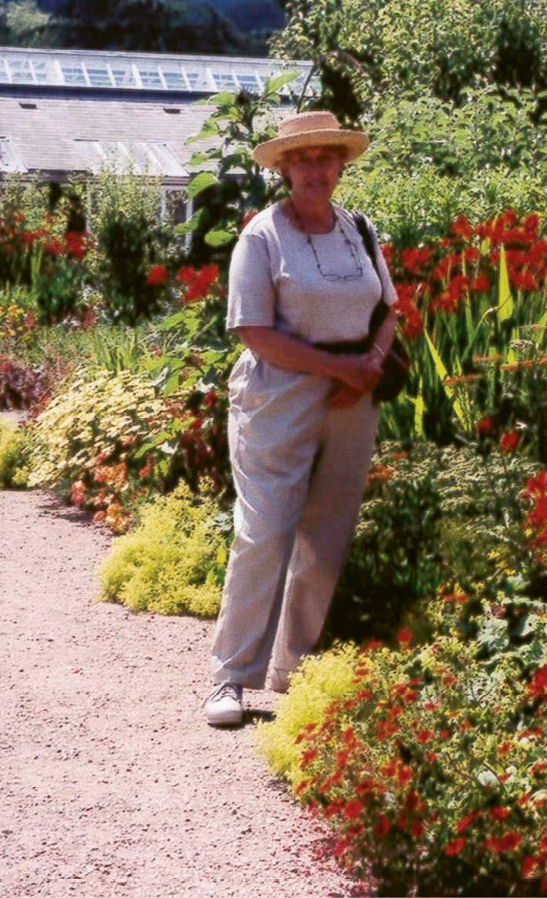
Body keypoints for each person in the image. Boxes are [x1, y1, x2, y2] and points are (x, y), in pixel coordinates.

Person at [204, 110, 398, 727]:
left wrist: (367, 363)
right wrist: (338, 371)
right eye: (302, 159)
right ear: (284, 168)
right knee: (264, 532)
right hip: (279, 397)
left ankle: (294, 669)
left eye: (326, 158)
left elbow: (389, 308)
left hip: (352, 397)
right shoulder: (262, 237)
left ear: (342, 165)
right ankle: (229, 679)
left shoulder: (359, 230)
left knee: (327, 532)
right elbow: (252, 330)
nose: (315, 169)